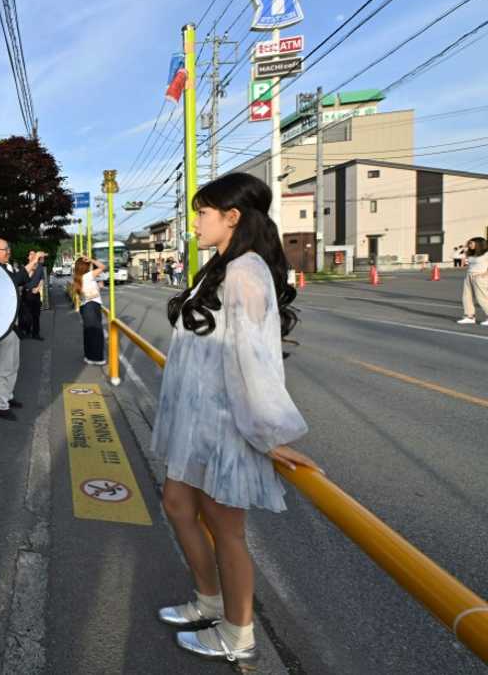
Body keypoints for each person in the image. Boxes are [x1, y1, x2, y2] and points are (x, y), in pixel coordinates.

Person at [152, 172, 320, 663]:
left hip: (229, 425)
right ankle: (209, 600)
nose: (194, 223)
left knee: (226, 530)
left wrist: (269, 435)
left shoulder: (245, 271)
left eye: (202, 213)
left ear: (232, 217)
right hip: (200, 421)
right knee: (178, 506)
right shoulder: (221, 265)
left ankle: (237, 631)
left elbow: (254, 360)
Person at [0, 239, 38, 420]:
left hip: (12, 323)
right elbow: (14, 281)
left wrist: (31, 266)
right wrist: (32, 262)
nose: (8, 251)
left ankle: (7, 396)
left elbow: (23, 280)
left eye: (8, 248)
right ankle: (0, 405)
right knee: (3, 366)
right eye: (4, 249)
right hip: (1, 325)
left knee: (13, 364)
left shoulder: (5, 266)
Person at [72, 256, 106, 364]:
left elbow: (87, 293)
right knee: (96, 333)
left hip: (85, 306)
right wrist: (91, 259)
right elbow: (102, 267)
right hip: (92, 306)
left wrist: (98, 288)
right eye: (89, 264)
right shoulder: (88, 275)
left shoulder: (78, 278)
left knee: (89, 332)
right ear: (85, 266)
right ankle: (97, 359)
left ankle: (88, 356)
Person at [456, 236, 488, 325]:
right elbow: (453, 256)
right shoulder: (471, 253)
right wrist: (464, 247)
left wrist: (484, 274)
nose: (470, 245)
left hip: (480, 277)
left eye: (471, 243)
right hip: (468, 276)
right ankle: (469, 316)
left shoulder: (486, 254)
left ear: (479, 244)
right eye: (469, 243)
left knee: (481, 297)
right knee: (466, 297)